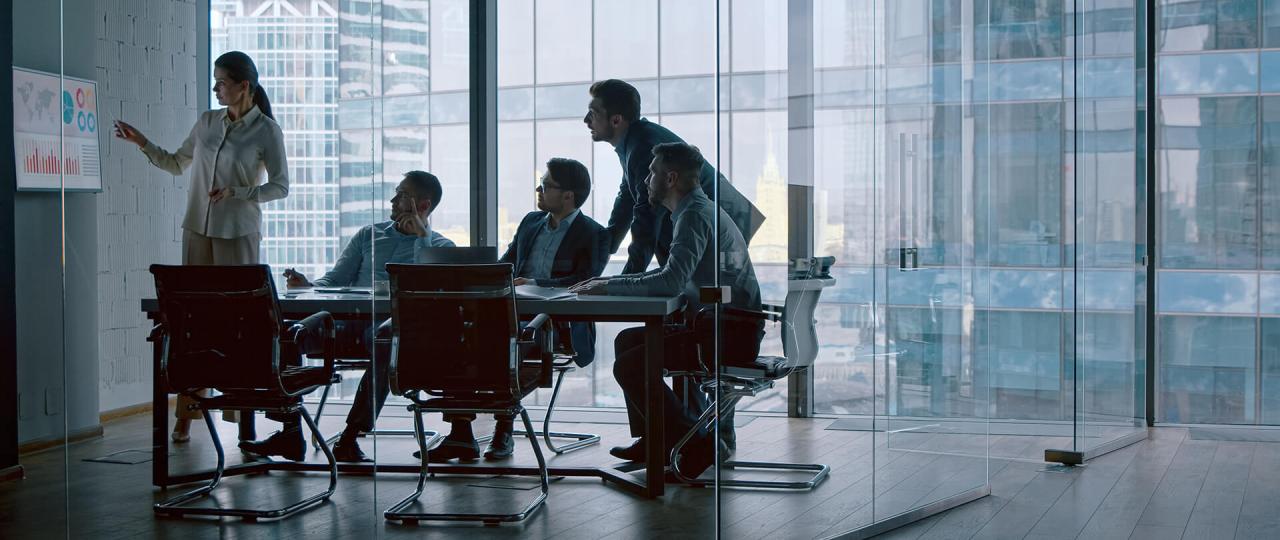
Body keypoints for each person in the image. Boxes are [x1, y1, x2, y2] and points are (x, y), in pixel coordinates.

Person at [115, 51, 288, 444]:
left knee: (238, 326)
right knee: (193, 324)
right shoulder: (208, 122)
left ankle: (242, 417)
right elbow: (177, 163)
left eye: (222, 82)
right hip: (197, 230)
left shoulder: (266, 131)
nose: (216, 89)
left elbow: (280, 186)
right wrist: (141, 142)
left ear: (244, 86)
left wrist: (238, 191)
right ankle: (188, 414)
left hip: (238, 233)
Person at [570, 142, 764, 480]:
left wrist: (609, 285)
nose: (646, 179)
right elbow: (672, 275)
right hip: (723, 325)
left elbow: (672, 281)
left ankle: (699, 443)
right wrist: (611, 282)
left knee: (631, 364)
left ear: (671, 178)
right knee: (628, 341)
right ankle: (654, 439)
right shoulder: (693, 210)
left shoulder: (693, 215)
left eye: (652, 172)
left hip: (727, 332)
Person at [243, 171, 455, 462]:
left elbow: (429, 295)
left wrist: (421, 239)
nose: (392, 200)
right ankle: (290, 430)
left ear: (422, 205)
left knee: (385, 339)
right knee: (287, 333)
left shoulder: (442, 248)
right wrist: (309, 287)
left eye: (401, 194)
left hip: (391, 331)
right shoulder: (369, 234)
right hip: (344, 326)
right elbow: (334, 280)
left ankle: (351, 436)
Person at [418, 157, 609, 463]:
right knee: (458, 335)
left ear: (568, 195)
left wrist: (533, 281)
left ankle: (503, 429)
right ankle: (461, 434)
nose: (539, 189)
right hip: (509, 313)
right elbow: (505, 263)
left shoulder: (594, 234)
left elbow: (584, 281)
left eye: (546, 185)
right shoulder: (531, 223)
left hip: (555, 324)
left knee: (503, 342)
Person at [584, 79, 765, 275]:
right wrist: (604, 250)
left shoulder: (643, 147)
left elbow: (646, 218)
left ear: (616, 120)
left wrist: (621, 284)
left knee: (704, 292)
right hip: (718, 223)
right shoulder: (633, 142)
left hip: (722, 228)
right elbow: (627, 198)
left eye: (593, 113)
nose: (586, 120)